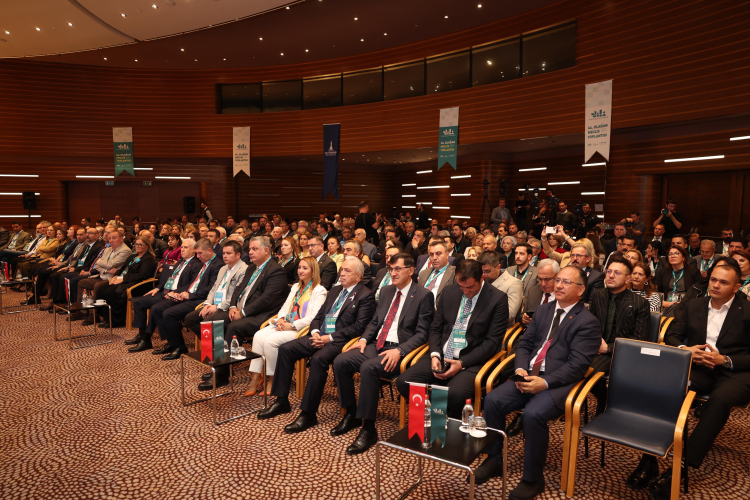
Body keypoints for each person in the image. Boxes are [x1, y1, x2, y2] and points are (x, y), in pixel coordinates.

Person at [474, 266, 601, 498]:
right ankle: (494, 459)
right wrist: (520, 368)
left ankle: (533, 479)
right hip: (528, 374)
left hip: (558, 382)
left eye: (566, 282)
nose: (559, 285)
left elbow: (577, 366)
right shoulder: (543, 310)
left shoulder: (588, 322)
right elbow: (524, 344)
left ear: (581, 290)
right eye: (558, 280)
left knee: (533, 415)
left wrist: (545, 382)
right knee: (492, 400)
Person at [632, 264, 750, 498]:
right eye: (713, 280)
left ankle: (681, 467)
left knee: (720, 401)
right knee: (666, 388)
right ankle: (649, 458)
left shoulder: (747, 310)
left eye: (724, 282)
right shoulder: (695, 304)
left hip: (735, 371)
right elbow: (673, 336)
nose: (716, 285)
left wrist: (725, 360)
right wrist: (686, 350)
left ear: (737, 287)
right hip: (698, 366)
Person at [257, 257, 376, 432]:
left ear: (358, 276)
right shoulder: (335, 290)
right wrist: (315, 332)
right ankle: (281, 400)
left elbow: (359, 327)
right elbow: (318, 317)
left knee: (318, 359)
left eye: (347, 271)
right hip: (318, 335)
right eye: (341, 270)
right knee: (286, 349)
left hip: (339, 341)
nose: (342, 274)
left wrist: (329, 338)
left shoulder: (365, 295)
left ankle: (308, 413)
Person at [333, 253, 435, 454]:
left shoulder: (423, 295)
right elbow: (375, 322)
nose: (393, 273)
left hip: (399, 350)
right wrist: (364, 339)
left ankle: (368, 429)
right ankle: (352, 414)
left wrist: (400, 350)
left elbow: (423, 334)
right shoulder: (387, 291)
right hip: (377, 344)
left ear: (411, 270)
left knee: (368, 368)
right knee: (340, 361)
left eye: (398, 269)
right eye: (391, 269)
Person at [396, 259, 509, 418]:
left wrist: (462, 363)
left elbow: (492, 342)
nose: (465, 292)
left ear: (482, 277)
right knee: (404, 382)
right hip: (442, 355)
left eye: (470, 287)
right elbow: (436, 328)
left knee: (455, 394)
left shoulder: (497, 299)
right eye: (461, 286)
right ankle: (433, 417)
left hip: (471, 359)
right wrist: (435, 354)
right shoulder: (450, 291)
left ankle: (439, 420)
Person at [185, 236, 289, 389]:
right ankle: (217, 364)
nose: (250, 252)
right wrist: (233, 307)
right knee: (209, 323)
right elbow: (238, 289)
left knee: (233, 327)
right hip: (240, 310)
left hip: (259, 315)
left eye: (255, 249)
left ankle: (222, 375)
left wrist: (243, 312)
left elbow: (266, 300)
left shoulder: (276, 271)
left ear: (266, 250)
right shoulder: (252, 267)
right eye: (250, 249)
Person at [245, 256, 328, 397]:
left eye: (305, 268)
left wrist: (292, 326)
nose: (300, 270)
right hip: (285, 324)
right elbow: (285, 307)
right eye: (299, 267)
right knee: (258, 336)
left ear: (313, 271)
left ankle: (273, 380)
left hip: (300, 329)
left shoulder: (319, 290)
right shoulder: (296, 286)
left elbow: (314, 317)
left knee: (270, 341)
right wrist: (281, 319)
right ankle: (256, 377)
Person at [588, 256, 650, 413]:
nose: (610, 276)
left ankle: (607, 401)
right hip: (596, 348)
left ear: (628, 279)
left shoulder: (639, 303)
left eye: (617, 273)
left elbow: (640, 339)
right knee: (566, 361)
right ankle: (607, 398)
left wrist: (608, 348)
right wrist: (594, 341)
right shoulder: (598, 295)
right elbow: (589, 324)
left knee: (587, 370)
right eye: (609, 271)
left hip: (623, 353)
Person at [126, 238, 203, 352]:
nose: (182, 249)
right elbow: (169, 278)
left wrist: (175, 292)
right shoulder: (180, 261)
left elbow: (191, 285)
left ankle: (149, 339)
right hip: (165, 291)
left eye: (185, 247)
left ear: (193, 250)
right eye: (181, 247)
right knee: (139, 302)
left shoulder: (197, 264)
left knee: (156, 308)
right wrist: (157, 288)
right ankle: (142, 335)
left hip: (177, 295)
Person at [73, 230, 132, 325]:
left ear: (121, 239)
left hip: (112, 278)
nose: (111, 240)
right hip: (102, 275)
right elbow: (97, 266)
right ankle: (83, 311)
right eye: (110, 238)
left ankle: (95, 314)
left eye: (114, 238)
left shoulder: (125, 250)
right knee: (81, 283)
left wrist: (101, 262)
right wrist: (105, 269)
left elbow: (110, 264)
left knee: (98, 286)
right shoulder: (108, 249)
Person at [97, 236, 158, 328]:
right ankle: (107, 318)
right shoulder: (133, 256)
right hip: (125, 279)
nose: (138, 246)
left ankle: (116, 321)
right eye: (136, 244)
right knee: (101, 289)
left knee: (111, 292)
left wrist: (123, 279)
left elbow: (142, 275)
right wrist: (115, 276)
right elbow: (122, 269)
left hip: (138, 284)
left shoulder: (148, 259)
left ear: (147, 246)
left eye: (140, 244)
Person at [478, 251, 523, 328]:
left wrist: (480, 316)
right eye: (481, 271)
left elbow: (510, 314)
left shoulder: (513, 283)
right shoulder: (479, 280)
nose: (483, 275)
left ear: (498, 267)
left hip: (497, 327)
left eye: (487, 271)